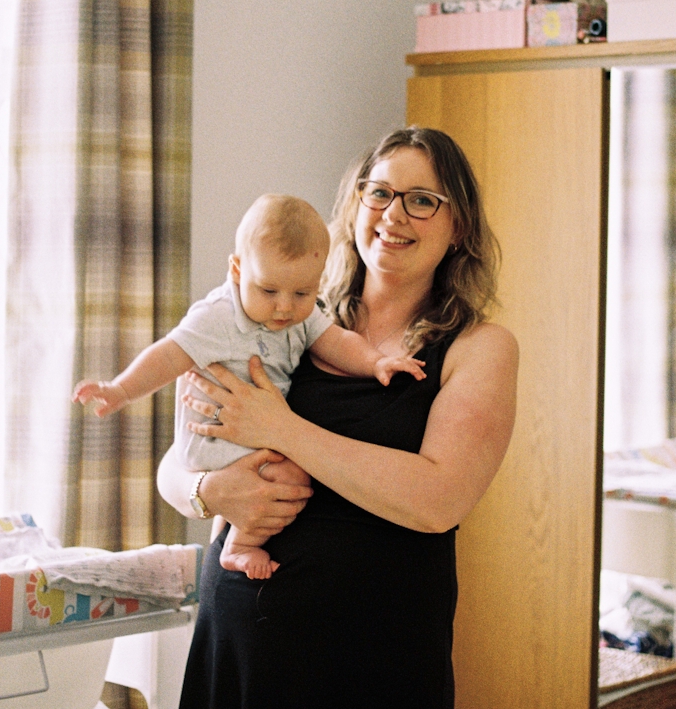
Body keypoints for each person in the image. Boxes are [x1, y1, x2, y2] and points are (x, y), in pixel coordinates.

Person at [156, 127, 519, 709]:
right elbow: (177, 462)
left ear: (460, 227)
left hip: (370, 660)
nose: (393, 215)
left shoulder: (479, 348)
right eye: (379, 193)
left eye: (422, 200)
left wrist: (282, 429)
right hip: (239, 641)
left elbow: (438, 500)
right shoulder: (287, 316)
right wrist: (209, 490)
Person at [73, 194, 425, 579]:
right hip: (212, 440)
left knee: (284, 476)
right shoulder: (218, 317)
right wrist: (120, 390)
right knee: (288, 476)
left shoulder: (302, 315)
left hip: (249, 439)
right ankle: (240, 544)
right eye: (269, 291)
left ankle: (233, 534)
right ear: (237, 270)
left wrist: (376, 362)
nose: (284, 309)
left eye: (302, 294)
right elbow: (169, 356)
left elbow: (337, 342)